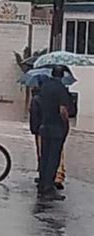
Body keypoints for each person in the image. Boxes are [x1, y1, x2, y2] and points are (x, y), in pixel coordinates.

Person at [37, 66, 71, 201]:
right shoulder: (61, 89)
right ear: (62, 76)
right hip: (56, 128)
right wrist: (66, 121)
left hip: (44, 126)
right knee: (53, 159)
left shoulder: (44, 87)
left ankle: (42, 184)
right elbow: (63, 110)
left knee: (45, 157)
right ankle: (49, 189)